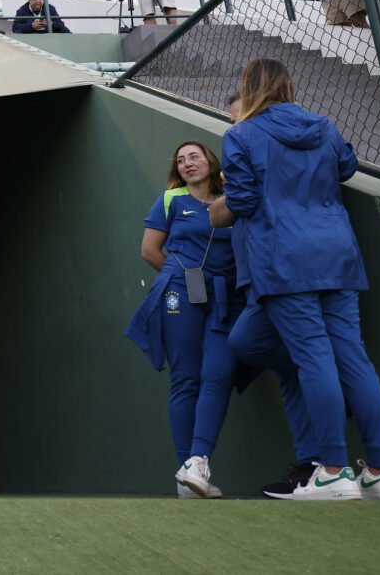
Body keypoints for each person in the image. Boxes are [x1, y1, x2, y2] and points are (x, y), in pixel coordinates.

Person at [210, 58, 380, 501]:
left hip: (284, 259)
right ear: (287, 84)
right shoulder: (323, 125)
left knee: (314, 358)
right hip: (336, 253)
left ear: (249, 87)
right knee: (353, 359)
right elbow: (346, 167)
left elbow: (240, 200)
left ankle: (333, 470)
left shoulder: (240, 134)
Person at [125, 140, 240, 499]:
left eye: (195, 156)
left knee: (218, 372)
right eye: (181, 160)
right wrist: (184, 277)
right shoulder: (170, 199)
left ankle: (197, 463)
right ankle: (187, 478)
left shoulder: (234, 198)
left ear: (210, 160)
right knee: (186, 378)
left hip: (225, 295)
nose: (189, 163)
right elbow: (149, 250)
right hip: (180, 289)